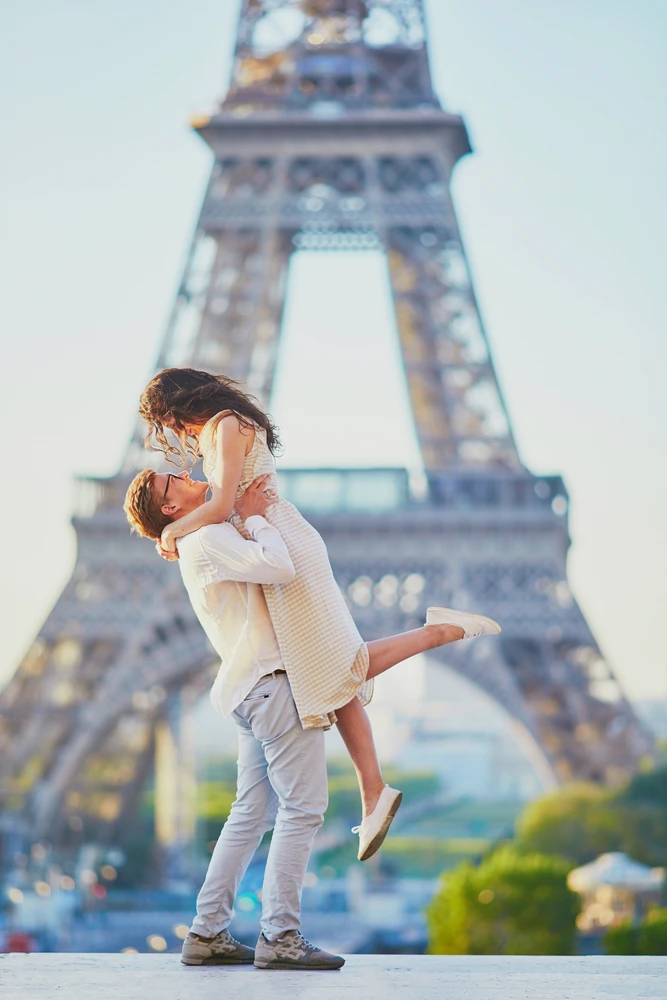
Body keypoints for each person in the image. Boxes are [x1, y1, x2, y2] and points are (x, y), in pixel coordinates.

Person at [137, 367, 501, 860]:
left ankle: (438, 633)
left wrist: (172, 533)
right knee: (331, 672)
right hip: (268, 537)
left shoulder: (224, 424)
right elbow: (226, 504)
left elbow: (224, 504)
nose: (175, 435)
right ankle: (374, 791)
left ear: (179, 406)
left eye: (169, 422)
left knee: (340, 666)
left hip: (281, 542)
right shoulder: (223, 429)